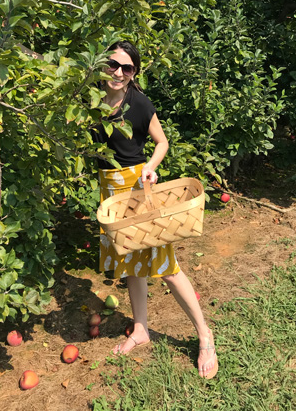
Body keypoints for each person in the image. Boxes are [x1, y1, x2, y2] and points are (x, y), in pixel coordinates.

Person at [93, 40, 218, 379]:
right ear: (102, 65)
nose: (118, 73)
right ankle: (141, 328)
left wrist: (150, 166)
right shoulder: (89, 100)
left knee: (166, 265)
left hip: (136, 188)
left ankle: (204, 334)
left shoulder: (138, 102)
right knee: (131, 262)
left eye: (127, 68)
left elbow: (162, 141)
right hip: (109, 190)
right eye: (113, 65)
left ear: (134, 72)